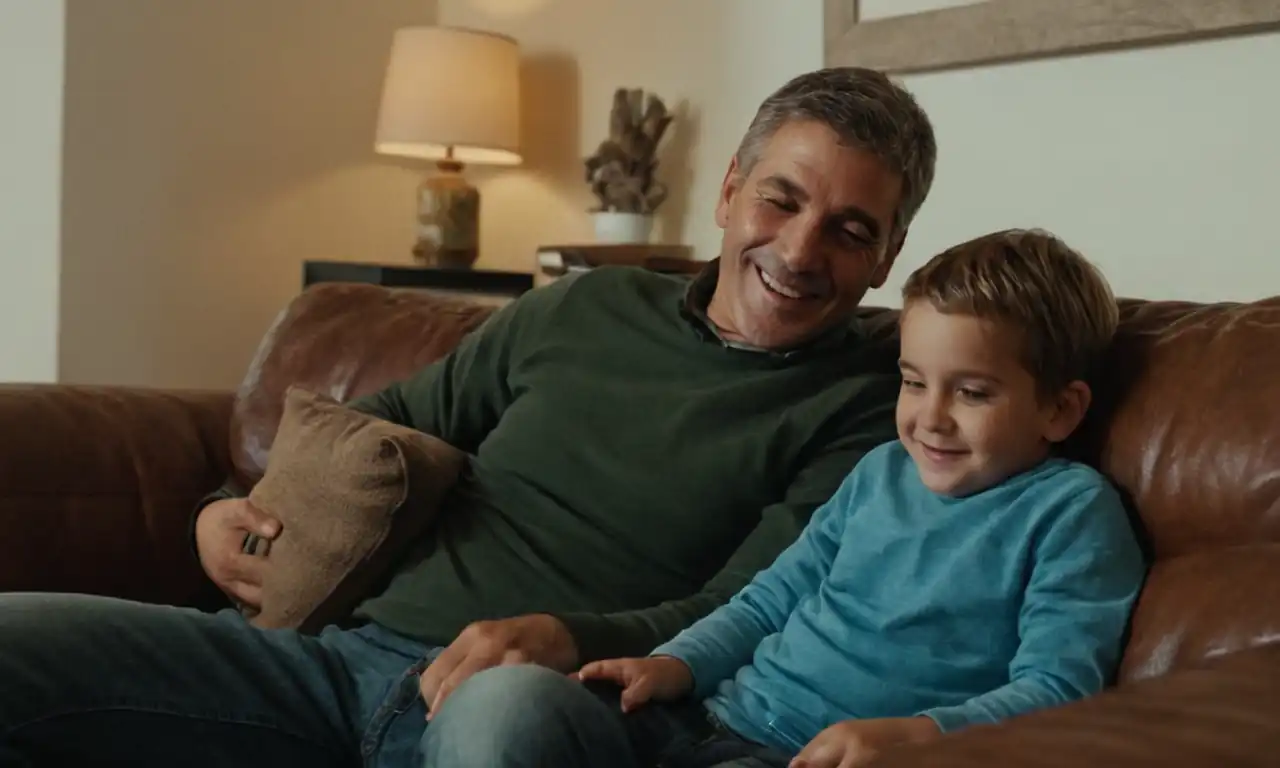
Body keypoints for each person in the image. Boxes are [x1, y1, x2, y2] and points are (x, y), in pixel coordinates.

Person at [0, 67, 938, 767]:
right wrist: (218, 512)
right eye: (781, 198)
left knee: (504, 720)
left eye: (851, 231)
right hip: (333, 664)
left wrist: (566, 637)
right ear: (732, 191)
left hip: (539, 699)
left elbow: (749, 607)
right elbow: (374, 428)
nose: (801, 249)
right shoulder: (585, 308)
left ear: (888, 255)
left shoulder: (872, 398)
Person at [565, 229, 1149, 768]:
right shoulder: (881, 472)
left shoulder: (1070, 514)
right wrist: (677, 663)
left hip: (800, 757)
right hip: (706, 714)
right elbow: (772, 599)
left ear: (1060, 409)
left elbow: (1058, 689)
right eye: (914, 382)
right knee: (517, 702)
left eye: (971, 393)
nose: (930, 418)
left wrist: (912, 734)